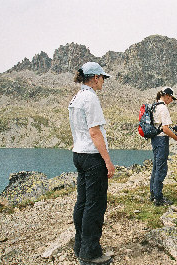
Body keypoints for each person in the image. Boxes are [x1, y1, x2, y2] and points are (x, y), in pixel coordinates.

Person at [68, 62, 115, 264]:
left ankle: (79, 246)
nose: (103, 81)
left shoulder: (76, 97)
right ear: (95, 77)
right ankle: (90, 253)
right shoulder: (91, 98)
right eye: (102, 77)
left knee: (83, 201)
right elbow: (94, 132)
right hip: (92, 156)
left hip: (78, 154)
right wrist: (108, 161)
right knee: (95, 205)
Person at [150, 87, 177, 206]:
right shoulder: (163, 108)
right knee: (161, 168)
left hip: (154, 139)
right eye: (171, 98)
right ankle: (158, 198)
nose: (171, 101)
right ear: (167, 96)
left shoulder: (154, 106)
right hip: (161, 140)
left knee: (156, 167)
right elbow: (165, 129)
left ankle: (153, 194)